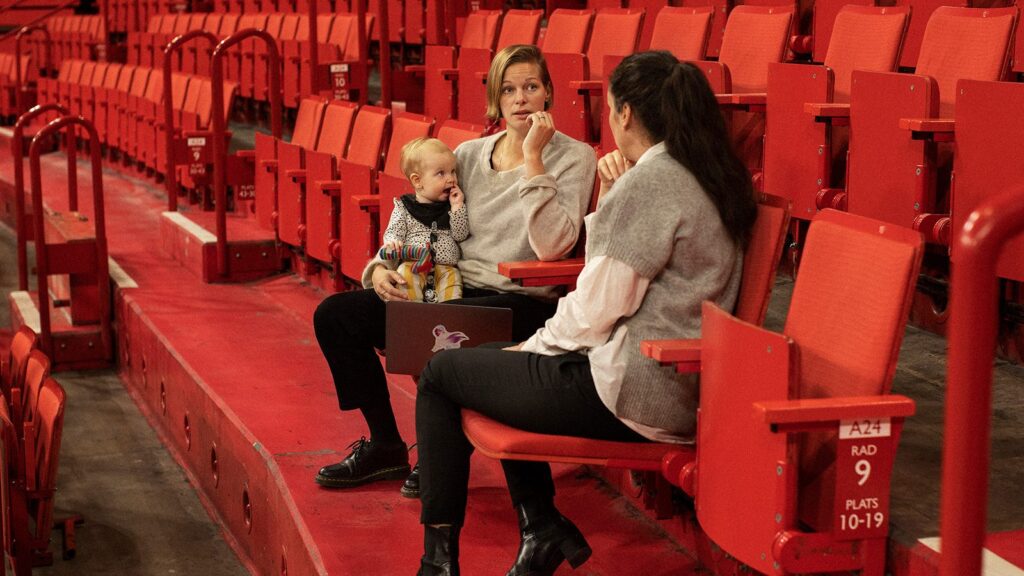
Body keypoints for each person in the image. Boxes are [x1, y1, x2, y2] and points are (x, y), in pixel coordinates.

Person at [413, 51, 758, 576]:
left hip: (631, 391)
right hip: (669, 384)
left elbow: (596, 309)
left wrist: (530, 349)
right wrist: (617, 193)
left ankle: (440, 563)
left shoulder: (655, 181)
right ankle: (541, 527)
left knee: (442, 372)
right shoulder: (701, 172)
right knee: (491, 370)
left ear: (623, 115)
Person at [312, 44, 597, 498]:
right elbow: (420, 216)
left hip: (518, 300)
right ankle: (386, 444)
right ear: (495, 100)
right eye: (509, 90)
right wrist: (380, 269)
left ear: (548, 95)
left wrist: (534, 160)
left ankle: (441, 455)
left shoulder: (574, 157)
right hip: (447, 286)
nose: (520, 98)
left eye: (531, 87)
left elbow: (553, 246)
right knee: (336, 315)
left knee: (439, 330)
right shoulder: (466, 154)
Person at [379, 137, 468, 303]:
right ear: (417, 181)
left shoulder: (452, 205)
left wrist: (457, 208)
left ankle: (446, 321)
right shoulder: (404, 207)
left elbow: (460, 235)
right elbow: (393, 231)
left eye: (453, 171)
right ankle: (412, 318)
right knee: (405, 278)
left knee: (453, 286)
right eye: (441, 173)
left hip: (447, 268)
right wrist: (393, 242)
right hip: (413, 265)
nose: (451, 179)